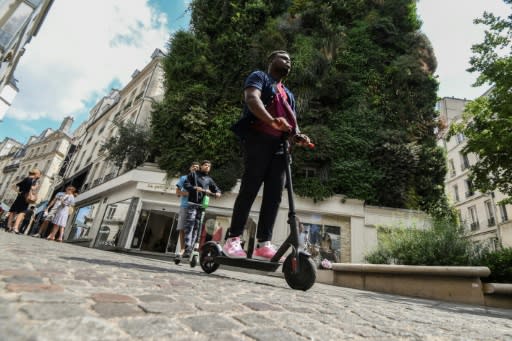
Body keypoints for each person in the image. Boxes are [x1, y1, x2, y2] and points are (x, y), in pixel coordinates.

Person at [224, 50, 311, 260]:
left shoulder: (288, 94)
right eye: (284, 58)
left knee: (274, 196)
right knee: (250, 188)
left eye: (291, 60)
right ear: (271, 60)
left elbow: (292, 124)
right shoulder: (259, 77)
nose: (288, 62)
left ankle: (264, 244)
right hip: (259, 140)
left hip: (281, 148)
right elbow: (252, 99)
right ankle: (233, 239)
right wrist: (272, 121)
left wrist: (297, 136)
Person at [182, 160, 221, 258]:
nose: (207, 167)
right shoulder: (193, 175)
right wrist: (195, 188)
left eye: (209, 166)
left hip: (202, 206)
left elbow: (216, 188)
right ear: (201, 166)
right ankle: (187, 247)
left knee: (197, 226)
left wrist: (217, 193)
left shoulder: (209, 179)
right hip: (192, 203)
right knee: (190, 224)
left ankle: (192, 247)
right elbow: (186, 185)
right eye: (205, 165)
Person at [175, 161, 200, 255]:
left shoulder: (200, 180)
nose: (195, 168)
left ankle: (190, 249)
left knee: (194, 229)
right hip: (185, 206)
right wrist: (189, 193)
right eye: (194, 166)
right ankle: (182, 249)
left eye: (197, 167)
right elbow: (177, 192)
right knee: (182, 228)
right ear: (190, 168)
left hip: (196, 207)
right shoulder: (184, 178)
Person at [7, 169, 41, 234]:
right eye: (39, 174)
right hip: (25, 197)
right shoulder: (30, 180)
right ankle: (15, 227)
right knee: (21, 212)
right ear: (36, 174)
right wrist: (36, 186)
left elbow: (14, 185)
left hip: (21, 196)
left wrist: (19, 192)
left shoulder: (27, 179)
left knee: (13, 211)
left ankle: (9, 226)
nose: (39, 176)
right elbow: (31, 188)